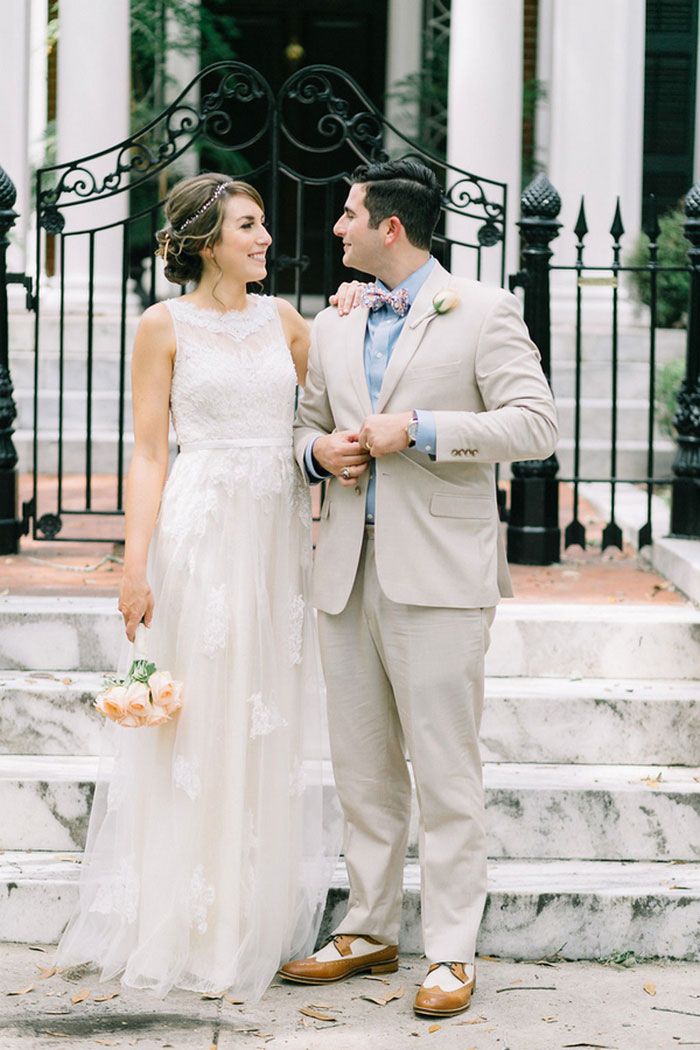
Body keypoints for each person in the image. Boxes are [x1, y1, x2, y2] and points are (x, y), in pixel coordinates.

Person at [55, 173, 341, 1000]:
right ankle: (185, 917)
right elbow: (149, 453)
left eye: (261, 227)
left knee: (261, 715)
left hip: (275, 537)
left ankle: (246, 912)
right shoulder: (162, 325)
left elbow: (324, 403)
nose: (264, 240)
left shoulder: (286, 320)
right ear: (207, 240)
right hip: (203, 530)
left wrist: (349, 321)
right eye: (247, 227)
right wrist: (133, 564)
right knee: (198, 720)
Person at [282, 159, 558, 1017]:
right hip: (345, 574)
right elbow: (307, 424)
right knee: (363, 770)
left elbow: (536, 423)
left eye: (350, 214)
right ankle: (367, 927)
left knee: (445, 770)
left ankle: (450, 951)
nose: (338, 228)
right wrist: (316, 453)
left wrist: (425, 429)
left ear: (389, 228)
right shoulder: (336, 320)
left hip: (439, 577)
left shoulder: (484, 311)